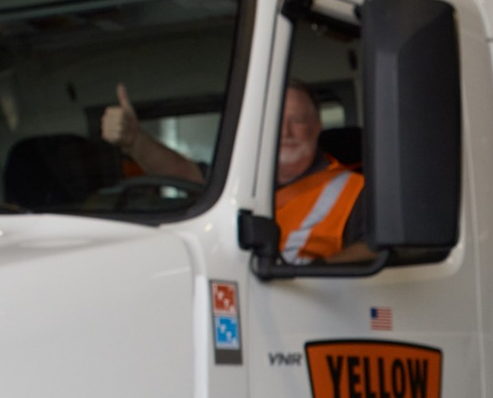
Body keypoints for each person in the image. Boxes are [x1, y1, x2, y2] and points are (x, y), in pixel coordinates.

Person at [101, 80, 375, 263]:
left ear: (317, 126)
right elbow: (182, 172)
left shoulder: (354, 190)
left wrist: (317, 271)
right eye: (276, 121)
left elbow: (375, 249)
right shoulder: (240, 178)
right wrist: (134, 141)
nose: (285, 132)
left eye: (298, 121)